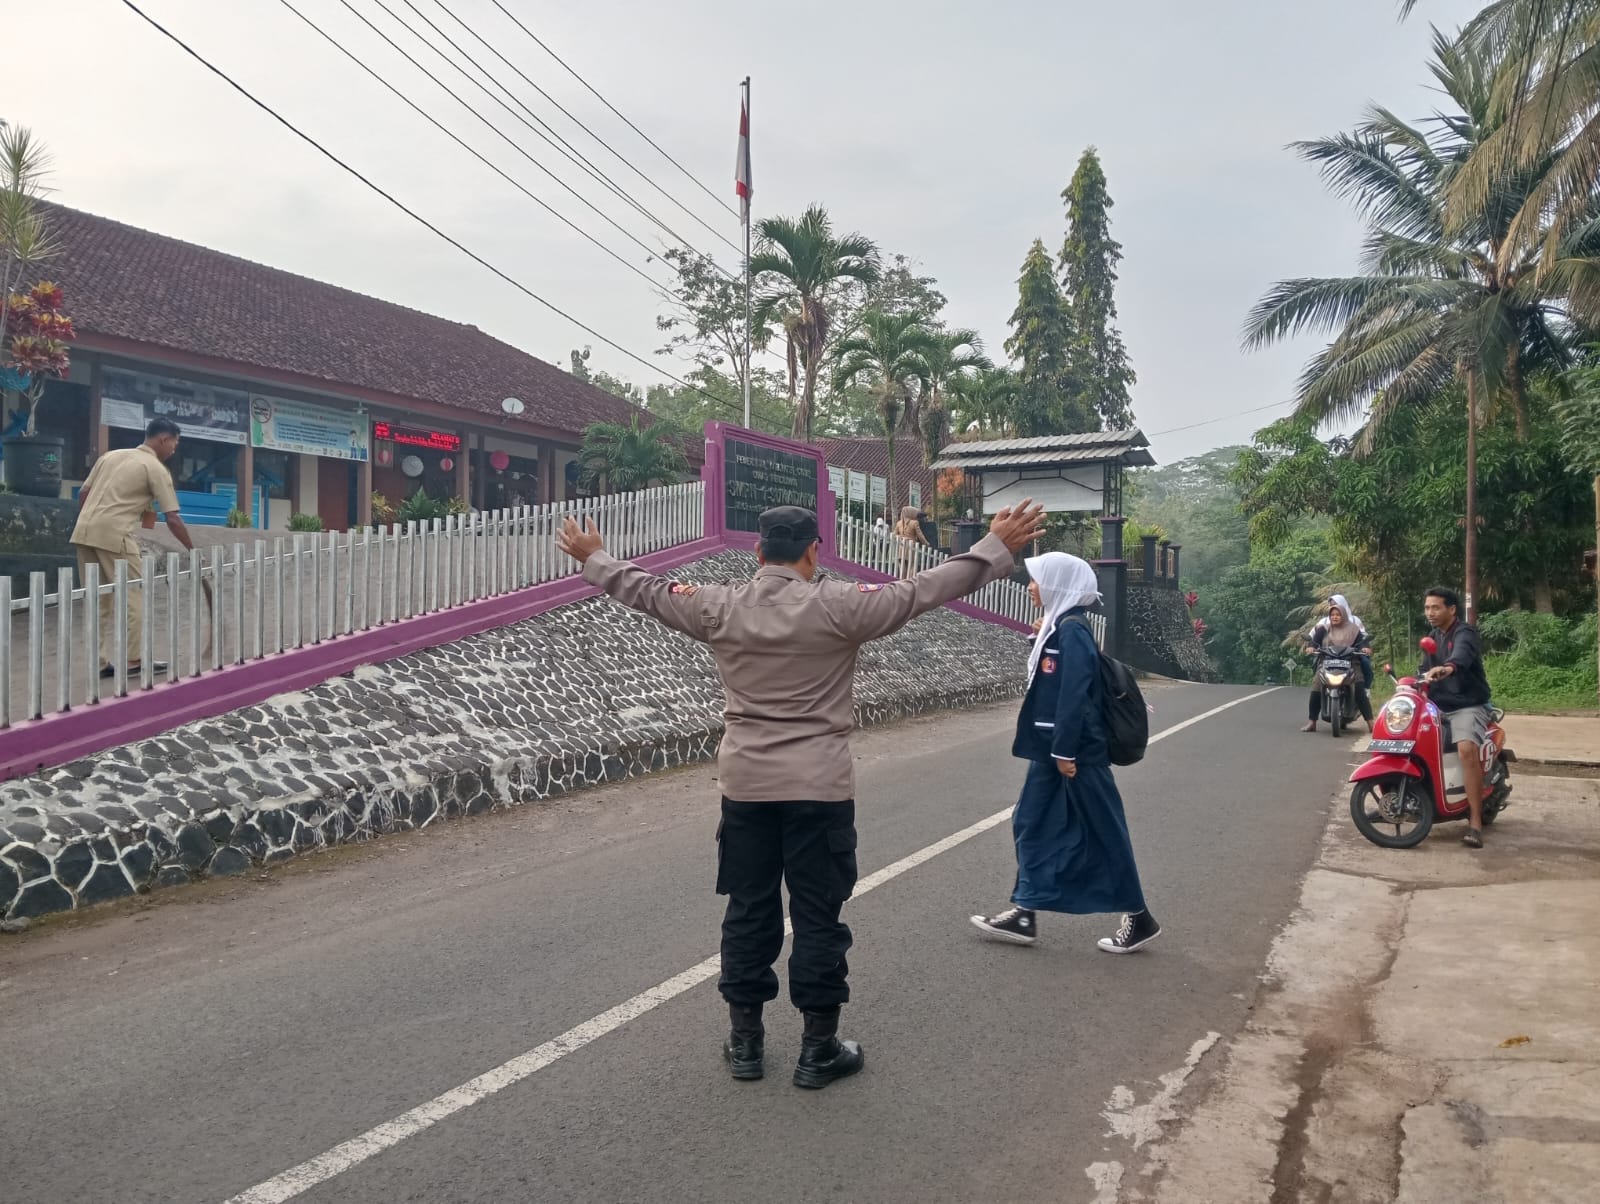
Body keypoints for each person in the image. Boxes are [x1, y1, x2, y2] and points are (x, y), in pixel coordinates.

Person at [557, 499, 1046, 1089]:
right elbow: (925, 589)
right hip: (820, 788)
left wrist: (596, 557)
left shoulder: (717, 605)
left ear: (758, 553)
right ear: (814, 552)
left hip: (747, 787)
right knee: (817, 916)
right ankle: (818, 1050)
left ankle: (745, 1044)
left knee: (748, 909)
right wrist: (995, 547)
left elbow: (647, 590)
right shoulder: (840, 606)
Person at [971, 552, 1160, 954]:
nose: (1030, 587)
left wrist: (1064, 751)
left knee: (1104, 828)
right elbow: (1054, 676)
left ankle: (1139, 916)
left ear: (1056, 583)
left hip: (1075, 754)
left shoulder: (1072, 631)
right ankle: (1025, 911)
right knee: (1030, 821)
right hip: (1053, 752)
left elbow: (1074, 693)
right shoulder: (1060, 628)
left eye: (1036, 580)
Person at [70, 417, 195, 679]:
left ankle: (100, 662)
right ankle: (134, 660)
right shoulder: (156, 468)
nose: (174, 449)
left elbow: (83, 494)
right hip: (115, 536)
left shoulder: (110, 457)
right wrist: (192, 549)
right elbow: (172, 517)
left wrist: (95, 520)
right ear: (163, 439)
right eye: (175, 443)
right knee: (134, 596)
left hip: (83, 531)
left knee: (97, 599)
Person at [1418, 585, 1493, 849]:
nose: (1430, 612)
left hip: (1467, 705)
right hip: (1438, 706)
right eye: (1427, 608)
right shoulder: (1432, 636)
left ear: (1451, 609)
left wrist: (1447, 667)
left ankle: (1474, 822)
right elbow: (1423, 671)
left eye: (1435, 607)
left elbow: (1460, 656)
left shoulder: (1465, 632)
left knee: (1464, 750)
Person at [1302, 597, 1374, 731]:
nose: (1335, 617)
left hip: (1350, 663)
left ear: (1343, 614)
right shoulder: (1324, 628)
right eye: (1332, 615)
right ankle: (1312, 722)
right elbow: (1314, 641)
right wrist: (1311, 647)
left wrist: (1365, 648)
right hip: (1327, 663)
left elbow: (1363, 641)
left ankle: (1370, 723)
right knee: (1316, 687)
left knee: (1359, 688)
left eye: (1337, 614)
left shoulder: (1353, 629)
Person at [892, 505, 930, 577]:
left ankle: (902, 581)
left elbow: (894, 535)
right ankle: (909, 581)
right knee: (912, 566)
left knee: (902, 566)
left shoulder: (899, 523)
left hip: (901, 547)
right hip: (911, 547)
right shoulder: (914, 522)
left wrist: (900, 537)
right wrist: (926, 543)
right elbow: (920, 535)